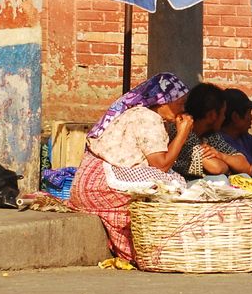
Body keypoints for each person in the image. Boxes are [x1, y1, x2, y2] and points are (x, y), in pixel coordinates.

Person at [69, 72, 194, 261]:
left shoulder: (139, 114)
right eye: (180, 103)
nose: (183, 109)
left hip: (86, 185)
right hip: (101, 185)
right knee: (169, 183)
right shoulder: (147, 118)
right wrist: (182, 134)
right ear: (163, 101)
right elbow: (161, 166)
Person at [171, 82, 252, 178]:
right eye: (222, 113)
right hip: (178, 185)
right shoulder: (184, 130)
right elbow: (217, 168)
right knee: (221, 179)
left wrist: (220, 155)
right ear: (212, 115)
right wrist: (229, 167)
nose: (223, 118)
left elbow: (244, 165)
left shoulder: (211, 135)